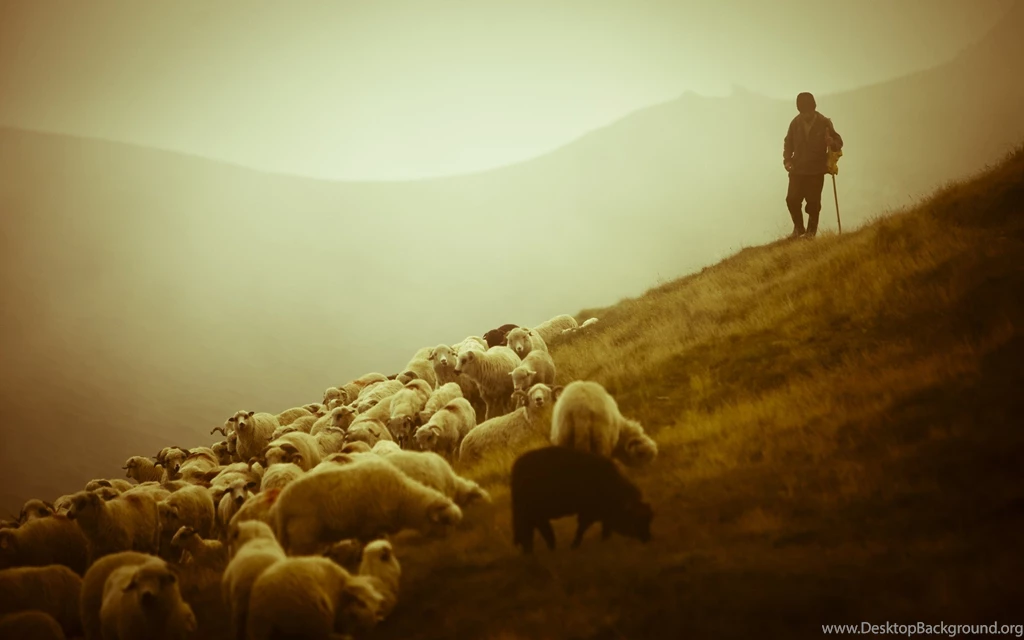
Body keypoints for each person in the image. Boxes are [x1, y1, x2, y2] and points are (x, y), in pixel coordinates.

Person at [782, 92, 843, 238]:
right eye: (803, 112)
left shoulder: (824, 122)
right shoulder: (795, 123)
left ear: (814, 108)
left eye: (808, 111)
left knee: (813, 203)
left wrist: (831, 142)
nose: (805, 115)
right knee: (792, 200)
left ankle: (811, 233)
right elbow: (788, 143)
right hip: (797, 169)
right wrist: (787, 160)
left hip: (816, 170)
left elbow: (838, 141)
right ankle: (798, 228)